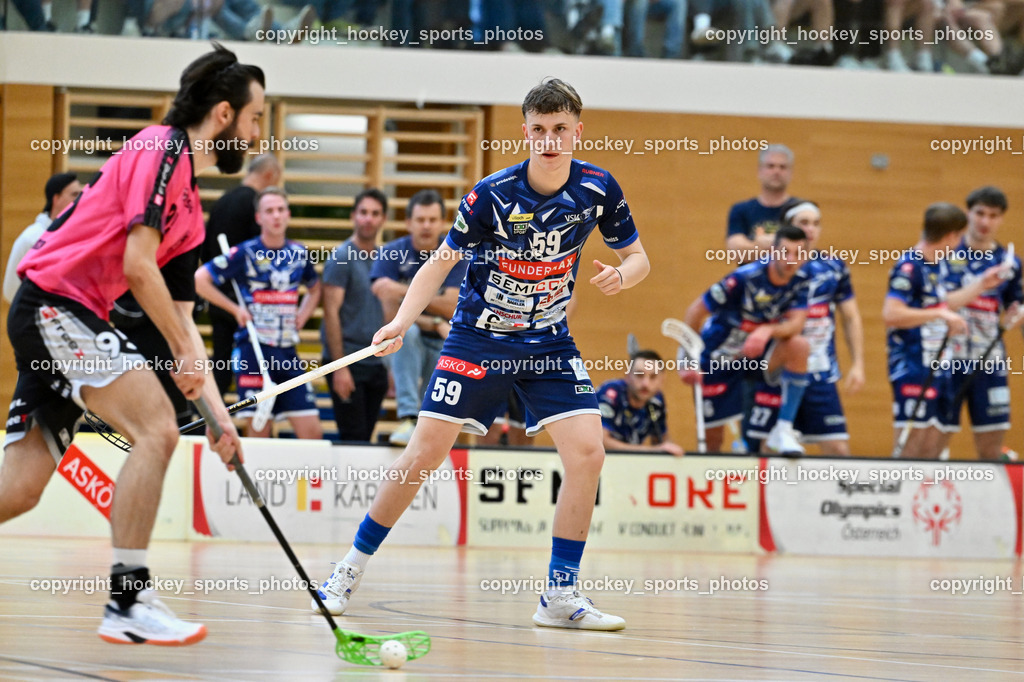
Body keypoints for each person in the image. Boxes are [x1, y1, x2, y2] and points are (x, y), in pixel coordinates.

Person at [312, 78, 650, 631]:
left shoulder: (597, 188)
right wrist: (399, 321)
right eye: (539, 130)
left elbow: (638, 257)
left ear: (577, 132)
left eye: (560, 130)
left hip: (548, 342)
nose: (549, 140)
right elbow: (440, 262)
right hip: (479, 339)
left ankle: (559, 597)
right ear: (525, 133)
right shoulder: (491, 193)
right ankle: (346, 571)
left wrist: (623, 275)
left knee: (589, 453)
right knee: (422, 455)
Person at [1, 44, 257, 645]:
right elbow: (137, 267)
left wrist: (219, 419)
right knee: (158, 427)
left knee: (19, 490)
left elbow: (185, 325)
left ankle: (129, 604)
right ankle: (128, 601)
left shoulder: (192, 212)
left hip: (67, 316)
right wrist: (183, 355)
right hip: (55, 304)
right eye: (255, 118)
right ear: (223, 115)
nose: (256, 133)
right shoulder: (159, 148)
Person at [195, 187, 322, 439]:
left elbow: (316, 288)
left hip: (287, 352)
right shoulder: (245, 252)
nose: (276, 216)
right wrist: (235, 309)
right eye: (269, 211)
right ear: (258, 217)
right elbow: (200, 279)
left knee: (313, 434)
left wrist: (303, 315)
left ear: (288, 214)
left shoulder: (299, 253)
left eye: (281, 210)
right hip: (254, 351)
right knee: (258, 434)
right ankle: (260, 479)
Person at [744, 200, 865, 455]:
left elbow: (851, 317)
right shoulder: (768, 268)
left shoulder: (833, 268)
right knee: (768, 450)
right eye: (803, 223)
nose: (811, 229)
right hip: (779, 369)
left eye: (816, 224)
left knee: (838, 449)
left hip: (820, 371)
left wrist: (858, 364)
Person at [680, 225, 812, 454]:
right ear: (773, 251)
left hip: (756, 354)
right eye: (785, 252)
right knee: (713, 439)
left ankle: (783, 429)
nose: (791, 260)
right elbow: (694, 312)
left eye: (798, 254)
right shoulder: (742, 279)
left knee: (799, 346)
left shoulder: (801, 280)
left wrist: (766, 331)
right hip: (718, 355)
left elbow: (796, 323)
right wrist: (686, 360)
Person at [882, 203, 982, 459]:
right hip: (912, 364)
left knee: (933, 443)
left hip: (939, 363)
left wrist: (982, 284)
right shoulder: (909, 266)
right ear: (951, 236)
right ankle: (900, 495)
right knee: (913, 441)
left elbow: (943, 304)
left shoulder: (937, 265)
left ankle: (921, 498)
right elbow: (891, 314)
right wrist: (938, 314)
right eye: (959, 236)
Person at [370, 189, 469, 446]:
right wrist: (433, 321)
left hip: (441, 343)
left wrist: (404, 292)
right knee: (407, 333)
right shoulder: (391, 253)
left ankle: (427, 427)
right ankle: (409, 418)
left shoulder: (455, 255)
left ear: (443, 223)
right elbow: (390, 317)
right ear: (408, 222)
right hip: (399, 346)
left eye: (432, 220)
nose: (426, 226)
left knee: (451, 346)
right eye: (420, 219)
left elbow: (451, 307)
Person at [940, 187, 1023, 459]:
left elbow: (1016, 306)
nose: (985, 222)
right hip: (947, 358)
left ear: (1001, 219)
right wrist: (978, 286)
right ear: (968, 213)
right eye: (980, 213)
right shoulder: (945, 252)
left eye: (993, 215)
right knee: (935, 441)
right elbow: (937, 304)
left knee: (990, 447)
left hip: (989, 361)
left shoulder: (1009, 263)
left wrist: (1016, 316)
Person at [201, 153, 282, 394]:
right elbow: (259, 256)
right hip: (247, 303)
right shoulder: (256, 207)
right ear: (269, 175)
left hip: (218, 297)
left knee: (222, 364)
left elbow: (206, 253)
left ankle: (213, 421)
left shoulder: (223, 201)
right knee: (253, 367)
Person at [320, 188, 390, 442]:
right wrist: (339, 367)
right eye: (363, 213)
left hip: (376, 361)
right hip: (347, 361)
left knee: (366, 439)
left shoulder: (385, 257)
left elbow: (390, 312)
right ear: (353, 216)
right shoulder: (341, 258)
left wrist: (390, 366)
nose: (368, 219)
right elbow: (330, 312)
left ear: (383, 219)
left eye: (375, 213)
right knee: (353, 438)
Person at [3, 173, 82, 303]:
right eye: (74, 195)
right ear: (56, 199)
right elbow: (10, 290)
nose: (79, 200)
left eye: (80, 195)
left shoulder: (79, 237)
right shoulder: (31, 238)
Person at [597, 350, 684, 456]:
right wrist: (652, 450)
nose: (645, 384)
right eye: (639, 375)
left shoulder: (657, 400)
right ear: (628, 375)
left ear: (662, 380)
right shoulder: (611, 393)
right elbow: (600, 441)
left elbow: (662, 441)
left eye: (653, 377)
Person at [724, 145, 794, 265]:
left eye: (782, 167)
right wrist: (782, 247)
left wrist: (759, 245)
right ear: (760, 171)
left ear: (790, 173)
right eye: (770, 166)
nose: (776, 171)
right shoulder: (741, 210)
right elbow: (737, 251)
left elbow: (803, 253)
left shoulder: (801, 209)